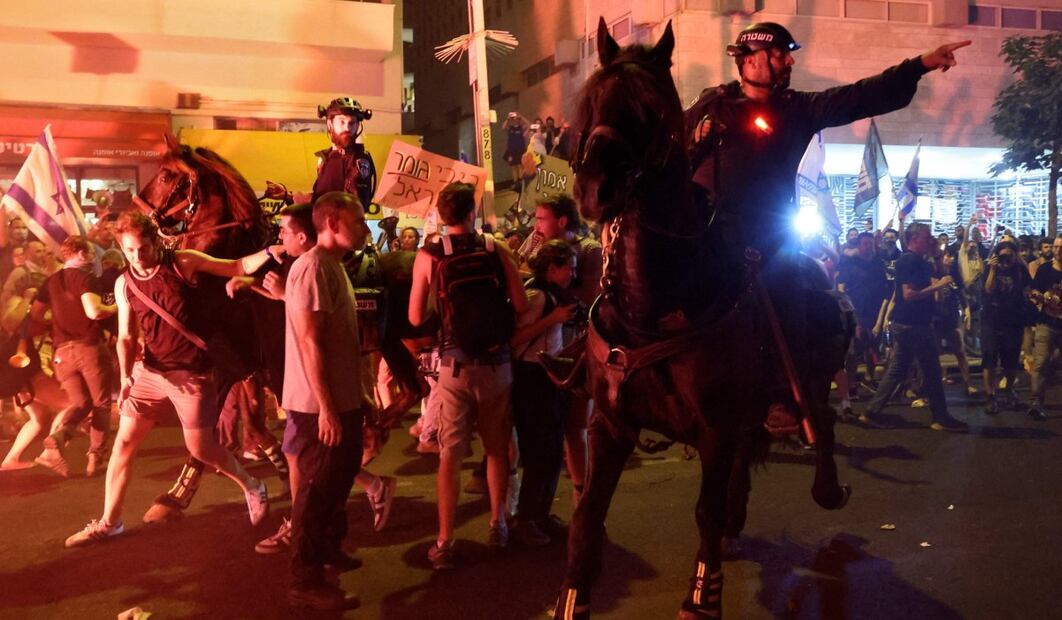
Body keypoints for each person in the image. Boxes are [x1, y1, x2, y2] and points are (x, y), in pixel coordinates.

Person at [685, 21, 970, 423]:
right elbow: (665, 145)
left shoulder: (799, 109)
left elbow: (860, 96)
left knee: (796, 300)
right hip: (706, 231)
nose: (790, 61)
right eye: (781, 54)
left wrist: (918, 65)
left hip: (766, 239)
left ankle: (783, 396)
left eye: (788, 53)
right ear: (749, 60)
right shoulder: (708, 107)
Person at [64, 211, 275, 548]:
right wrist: (127, 377)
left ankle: (252, 485)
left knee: (201, 448)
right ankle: (110, 521)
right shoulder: (125, 283)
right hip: (150, 371)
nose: (138, 257)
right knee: (125, 442)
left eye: (143, 248)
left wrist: (269, 252)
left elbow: (234, 267)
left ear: (155, 241)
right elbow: (126, 337)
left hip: (192, 373)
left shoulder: (182, 263)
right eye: (130, 250)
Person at [409, 182, 528, 569]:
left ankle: (445, 541)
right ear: (471, 212)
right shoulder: (495, 249)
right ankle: (498, 524)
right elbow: (522, 305)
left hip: (454, 366)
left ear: (442, 215)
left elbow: (414, 317)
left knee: (450, 456)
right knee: (497, 450)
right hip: (498, 366)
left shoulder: (429, 255)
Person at [282, 191, 371, 609]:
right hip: (320, 405)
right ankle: (306, 576)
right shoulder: (313, 267)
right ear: (331, 223)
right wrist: (329, 408)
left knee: (336, 481)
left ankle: (328, 549)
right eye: (357, 220)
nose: (365, 227)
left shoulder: (333, 267)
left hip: (339, 398)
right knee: (316, 489)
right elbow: (310, 342)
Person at [860, 223, 967, 431]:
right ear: (915, 238)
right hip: (914, 324)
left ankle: (871, 412)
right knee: (932, 371)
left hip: (911, 323)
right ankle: (940, 417)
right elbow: (909, 294)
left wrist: (937, 255)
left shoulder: (919, 260)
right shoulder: (909, 261)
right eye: (927, 237)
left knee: (899, 368)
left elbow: (940, 272)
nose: (931, 240)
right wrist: (938, 285)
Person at [530, 194, 600, 508]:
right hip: (541, 347)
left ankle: (581, 494)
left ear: (561, 221)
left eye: (541, 219)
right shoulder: (537, 248)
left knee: (575, 425)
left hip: (575, 344)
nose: (536, 226)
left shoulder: (588, 250)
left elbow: (588, 293)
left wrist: (550, 285)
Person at [510, 240, 577, 547]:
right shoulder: (537, 296)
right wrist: (553, 319)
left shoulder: (554, 296)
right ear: (552, 269)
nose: (573, 273)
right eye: (569, 267)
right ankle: (525, 518)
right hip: (531, 378)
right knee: (539, 451)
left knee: (551, 451)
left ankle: (541, 514)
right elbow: (515, 339)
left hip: (550, 377)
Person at [31, 236, 116, 478]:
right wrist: (117, 305)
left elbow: (37, 314)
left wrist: (57, 323)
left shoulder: (51, 281)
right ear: (81, 253)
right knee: (100, 403)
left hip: (61, 354)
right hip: (88, 348)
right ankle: (95, 458)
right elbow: (94, 311)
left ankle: (58, 438)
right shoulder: (86, 278)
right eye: (90, 252)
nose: (93, 257)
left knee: (80, 404)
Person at [980, 240, 1031, 414]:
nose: (1006, 258)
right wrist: (993, 269)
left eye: (1009, 253)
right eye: (1002, 253)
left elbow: (1028, 288)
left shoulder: (1019, 269)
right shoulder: (990, 267)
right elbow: (988, 289)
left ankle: (1009, 389)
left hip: (1012, 319)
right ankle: (990, 395)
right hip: (991, 319)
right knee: (990, 357)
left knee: (1011, 359)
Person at [837, 232, 888, 398]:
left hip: (875, 311)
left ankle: (869, 377)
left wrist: (882, 317)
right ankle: (851, 384)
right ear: (859, 245)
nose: (869, 247)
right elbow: (841, 288)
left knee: (872, 347)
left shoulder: (878, 264)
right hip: (855, 312)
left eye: (871, 243)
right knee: (853, 352)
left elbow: (885, 289)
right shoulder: (850, 264)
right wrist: (849, 313)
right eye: (865, 243)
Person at [312, 97, 377, 211]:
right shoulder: (324, 158)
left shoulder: (359, 160)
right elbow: (319, 198)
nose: (347, 127)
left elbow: (354, 205)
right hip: (323, 225)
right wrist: (288, 197)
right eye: (342, 122)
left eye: (352, 123)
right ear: (329, 124)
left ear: (357, 126)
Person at [1025, 235, 1062, 422]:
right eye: (1056, 247)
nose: (1058, 251)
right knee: (1040, 362)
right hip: (1047, 321)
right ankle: (1036, 403)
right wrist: (1040, 298)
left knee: (1053, 360)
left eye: (1061, 247)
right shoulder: (1045, 270)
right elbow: (1033, 291)